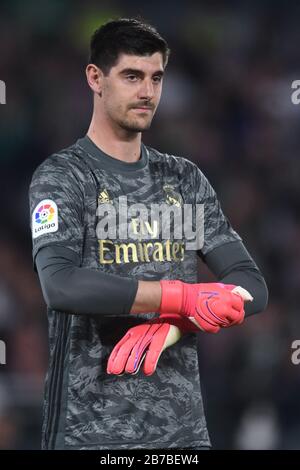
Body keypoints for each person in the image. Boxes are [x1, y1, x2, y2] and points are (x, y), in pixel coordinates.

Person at [29, 18, 268, 450]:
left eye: (156, 78)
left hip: (183, 436)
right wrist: (179, 298)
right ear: (95, 78)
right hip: (89, 433)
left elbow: (252, 285)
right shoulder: (64, 176)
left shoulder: (184, 178)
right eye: (132, 76)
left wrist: (176, 323)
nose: (147, 93)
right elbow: (60, 284)